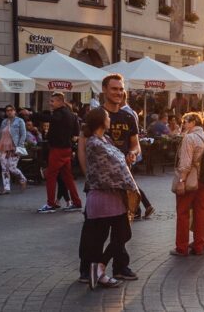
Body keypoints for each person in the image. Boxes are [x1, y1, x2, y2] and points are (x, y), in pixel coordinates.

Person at [76, 106, 135, 288]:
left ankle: (99, 268)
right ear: (101, 121)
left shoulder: (105, 139)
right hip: (102, 197)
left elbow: (118, 164)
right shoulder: (94, 142)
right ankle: (97, 271)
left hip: (114, 197)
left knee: (123, 233)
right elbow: (112, 168)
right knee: (98, 238)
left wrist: (127, 160)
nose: (110, 119)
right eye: (108, 117)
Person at [100, 75, 152, 221]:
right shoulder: (97, 115)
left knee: (123, 233)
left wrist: (133, 152)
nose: (118, 92)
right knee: (96, 230)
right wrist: (88, 174)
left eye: (121, 89)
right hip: (101, 179)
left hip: (123, 173)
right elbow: (84, 147)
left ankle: (138, 209)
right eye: (114, 89)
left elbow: (136, 145)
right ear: (104, 89)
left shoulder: (128, 117)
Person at [172, 113, 204, 256]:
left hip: (190, 179)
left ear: (193, 122)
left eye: (185, 122)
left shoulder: (189, 138)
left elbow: (185, 163)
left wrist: (181, 181)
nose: (183, 125)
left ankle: (181, 248)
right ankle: (199, 246)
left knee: (183, 213)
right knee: (201, 212)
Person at [0, 105, 31, 194]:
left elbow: (23, 134)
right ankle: (6, 188)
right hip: (3, 147)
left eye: (11, 110)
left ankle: (22, 179)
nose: (9, 112)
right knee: (4, 168)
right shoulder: (4, 121)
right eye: (7, 110)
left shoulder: (20, 121)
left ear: (15, 111)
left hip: (14, 147)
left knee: (12, 167)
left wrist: (20, 146)